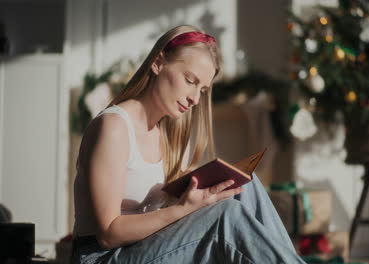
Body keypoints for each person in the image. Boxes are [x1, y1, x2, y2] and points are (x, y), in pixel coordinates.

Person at [72, 25, 306, 264]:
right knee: (227, 215)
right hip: (103, 257)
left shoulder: (167, 133)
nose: (195, 98)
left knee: (245, 185)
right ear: (158, 62)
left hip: (145, 246)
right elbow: (109, 234)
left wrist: (200, 196)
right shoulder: (114, 127)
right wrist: (182, 208)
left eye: (202, 90)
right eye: (189, 80)